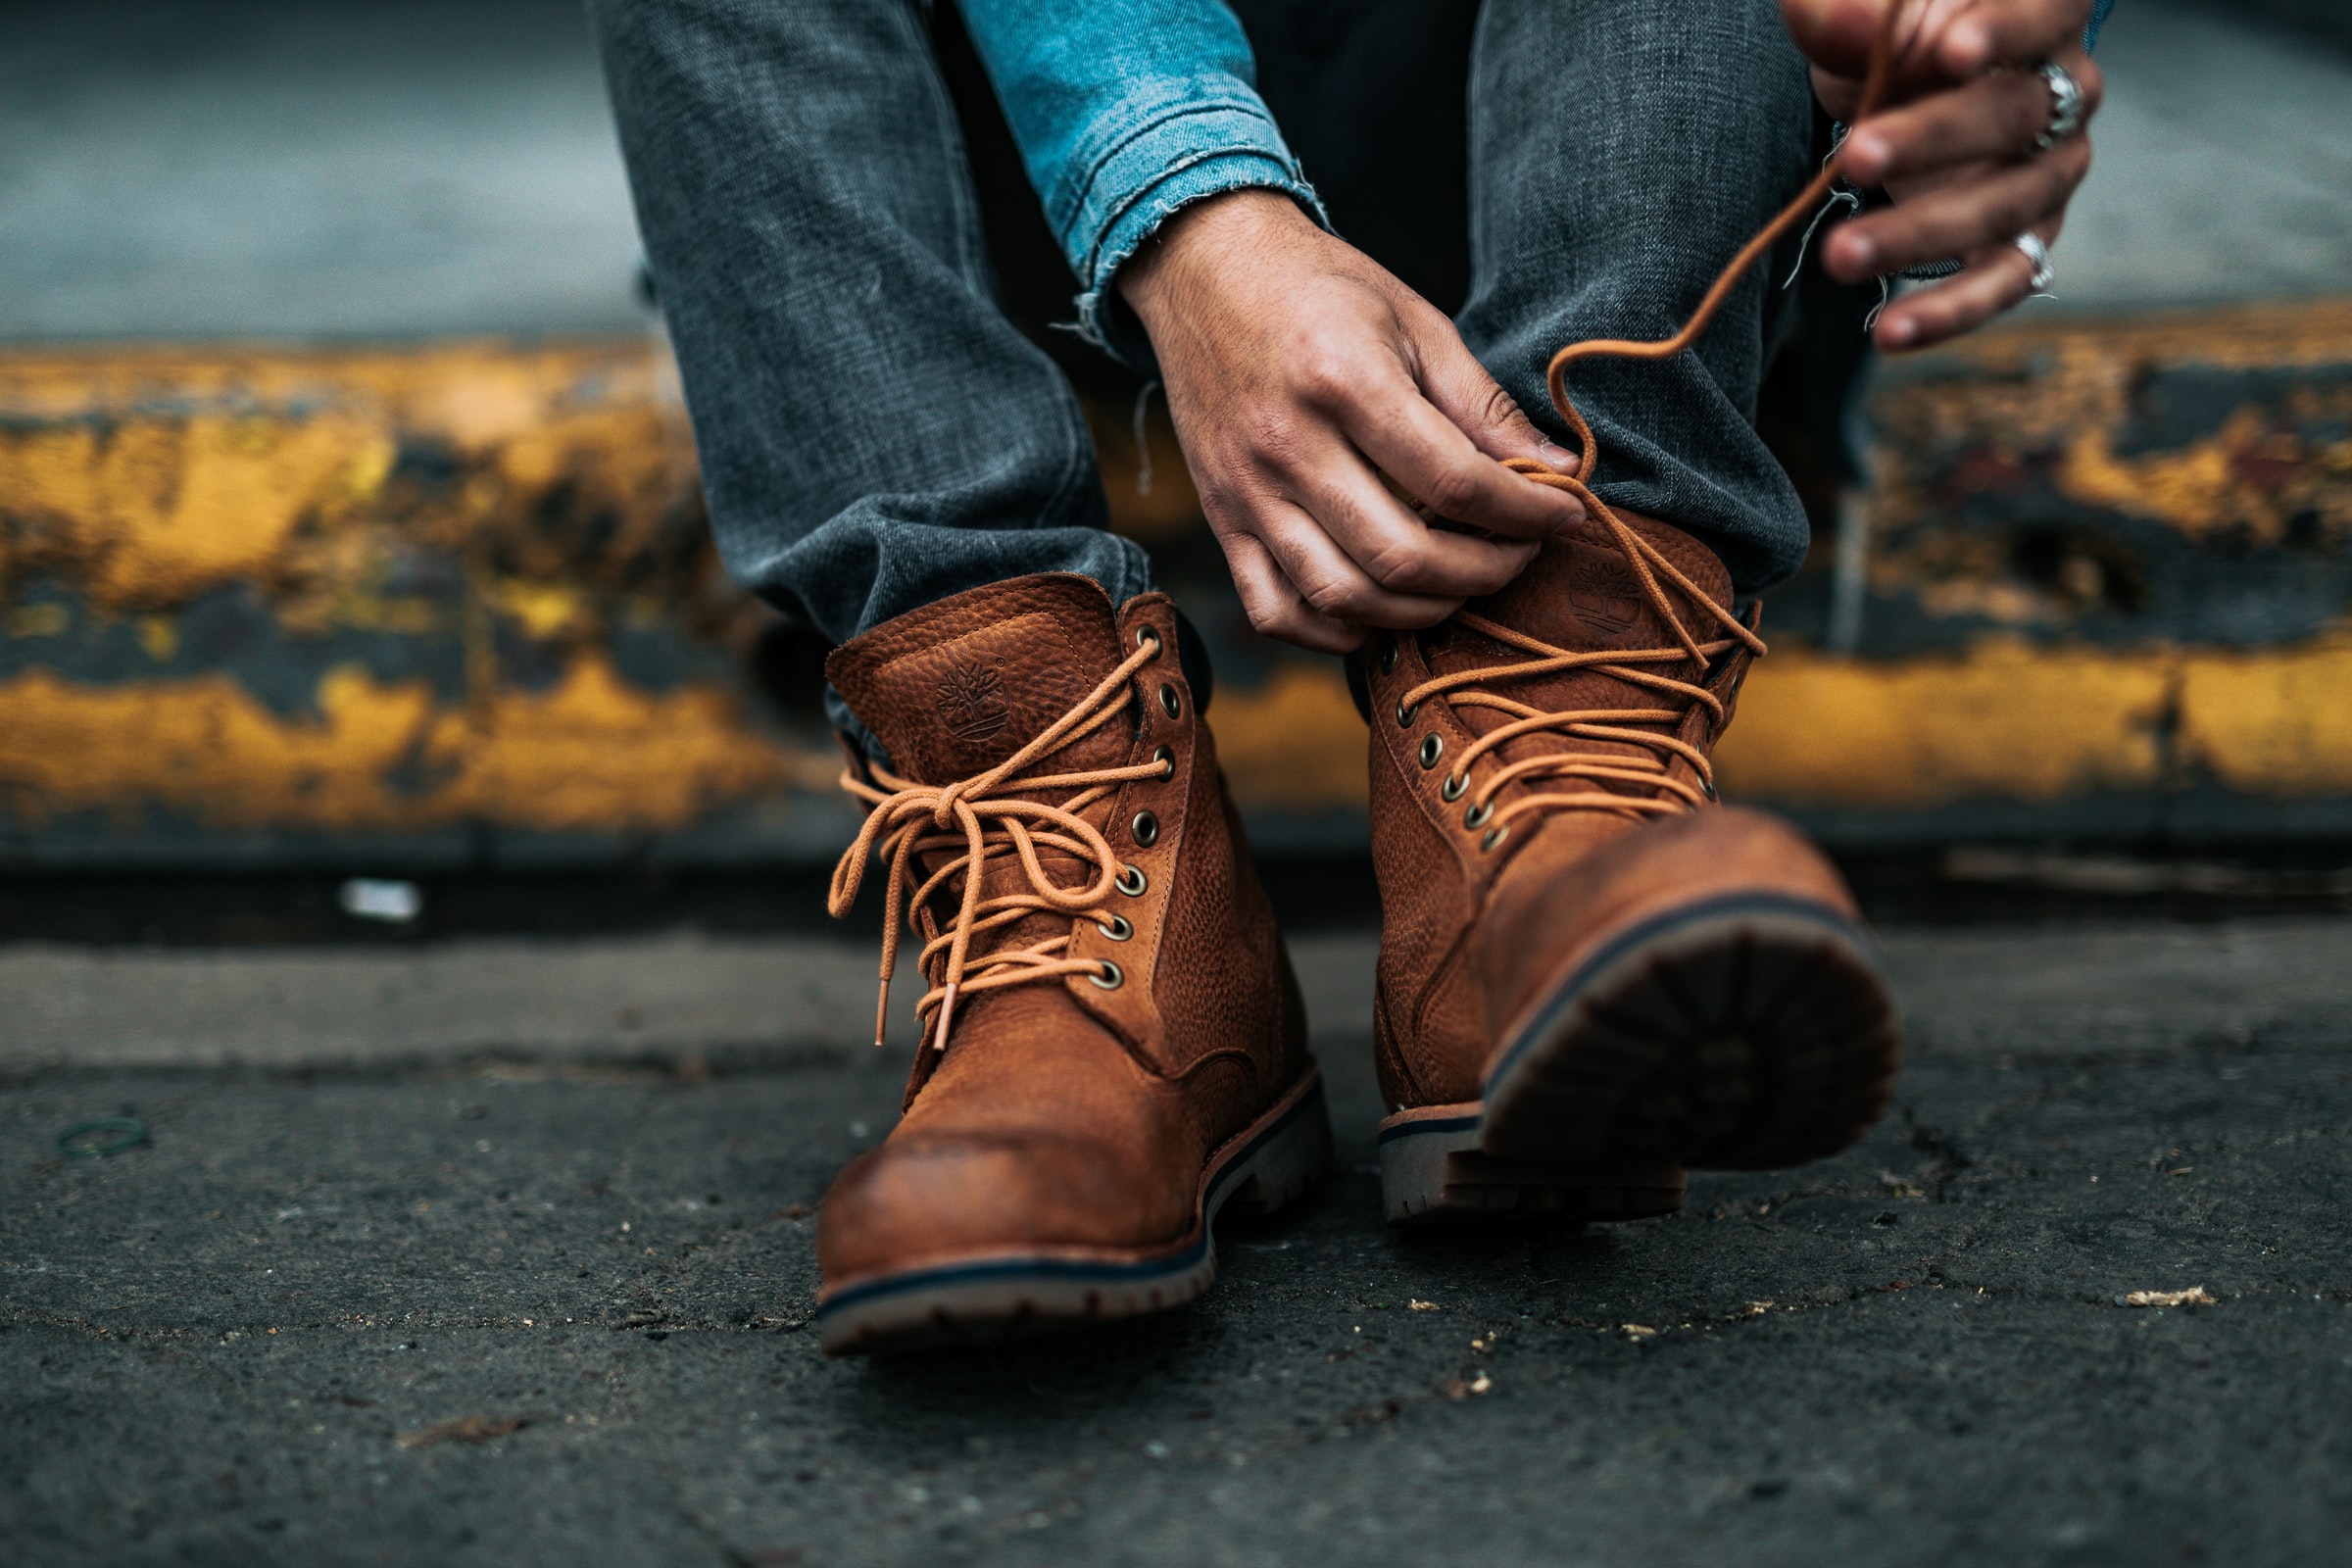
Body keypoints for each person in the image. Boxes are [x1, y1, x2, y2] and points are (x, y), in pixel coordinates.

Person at [586, 0, 2105, 1353]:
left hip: (1617, 144)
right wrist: (1190, 209)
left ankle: (1543, 784)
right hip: (1014, 159)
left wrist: (1982, 32)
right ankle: (1076, 876)